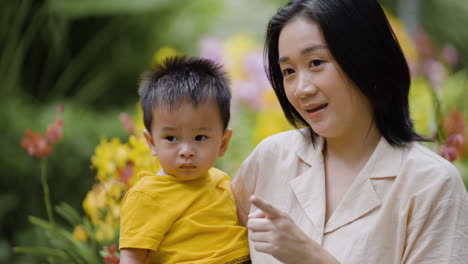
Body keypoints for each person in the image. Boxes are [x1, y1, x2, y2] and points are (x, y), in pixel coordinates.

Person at [231, 0, 468, 263]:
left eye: (316, 62)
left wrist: (310, 257)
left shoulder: (432, 184)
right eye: (288, 71)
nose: (301, 89)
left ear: (366, 59)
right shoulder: (270, 159)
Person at [119, 56, 250, 264]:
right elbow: (132, 258)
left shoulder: (222, 182)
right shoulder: (146, 196)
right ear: (151, 142)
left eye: (200, 137)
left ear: (223, 143)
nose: (186, 151)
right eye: (171, 138)